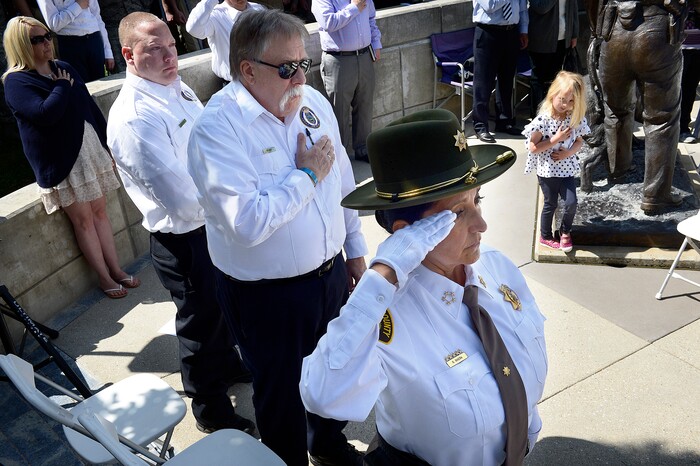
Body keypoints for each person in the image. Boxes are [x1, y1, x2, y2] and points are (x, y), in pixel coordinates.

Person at [300, 108, 548, 465]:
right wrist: (383, 272)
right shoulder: (387, 319)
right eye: (458, 212)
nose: (481, 224)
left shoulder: (494, 266)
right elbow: (322, 393)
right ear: (408, 233)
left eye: (477, 200)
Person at [187, 9, 368, 466]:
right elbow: (246, 222)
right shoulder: (217, 129)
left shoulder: (310, 102)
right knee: (280, 393)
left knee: (331, 372)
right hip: (267, 297)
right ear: (247, 69)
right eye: (287, 68)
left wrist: (355, 250)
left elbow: (341, 177)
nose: (300, 76)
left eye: (303, 63)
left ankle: (325, 442)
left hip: (328, 276)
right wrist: (306, 175)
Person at [106, 11, 254, 435]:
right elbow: (181, 200)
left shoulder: (176, 86)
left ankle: (227, 366)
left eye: (172, 46)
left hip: (211, 222)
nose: (171, 57)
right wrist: (235, 202)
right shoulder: (135, 117)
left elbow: (210, 141)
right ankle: (210, 408)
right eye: (156, 50)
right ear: (129, 56)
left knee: (221, 308)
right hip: (185, 239)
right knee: (198, 324)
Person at [2, 16, 139, 300]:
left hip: (89, 151)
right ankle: (104, 278)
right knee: (84, 221)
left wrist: (107, 145)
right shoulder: (16, 82)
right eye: (36, 40)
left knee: (100, 212)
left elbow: (89, 107)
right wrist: (61, 87)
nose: (46, 44)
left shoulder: (63, 67)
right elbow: (44, 114)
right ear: (20, 45)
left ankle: (117, 269)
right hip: (61, 161)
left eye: (47, 36)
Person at [597, 0, 700, 213]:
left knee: (616, 110)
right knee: (661, 119)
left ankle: (618, 169)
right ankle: (656, 195)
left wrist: (598, 31)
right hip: (657, 33)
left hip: (614, 30)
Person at [523, 71, 589, 253]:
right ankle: (545, 236)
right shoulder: (543, 120)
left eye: (571, 102)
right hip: (548, 171)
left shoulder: (574, 118)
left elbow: (579, 142)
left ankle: (565, 231)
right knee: (550, 204)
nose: (565, 105)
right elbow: (533, 147)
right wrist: (555, 139)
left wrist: (568, 152)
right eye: (562, 100)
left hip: (566, 169)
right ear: (553, 95)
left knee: (571, 202)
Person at [312, 0, 382, 162]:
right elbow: (328, 22)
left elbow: (371, 19)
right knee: (338, 110)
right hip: (339, 60)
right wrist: (354, 8)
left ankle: (363, 149)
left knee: (365, 105)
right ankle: (339, 155)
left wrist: (376, 43)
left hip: (364, 56)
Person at [471, 0, 528, 143]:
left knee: (507, 80)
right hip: (488, 32)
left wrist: (523, 30)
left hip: (511, 32)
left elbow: (522, 7)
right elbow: (490, 6)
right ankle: (480, 126)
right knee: (483, 83)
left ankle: (504, 121)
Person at [185, 0, 265, 83]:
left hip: (262, 81)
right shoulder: (215, 15)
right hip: (234, 84)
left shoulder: (258, 9)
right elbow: (193, 29)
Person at [36, 0, 114, 82]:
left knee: (102, 84)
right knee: (79, 85)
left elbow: (97, 17)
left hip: (94, 39)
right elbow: (54, 24)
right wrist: (78, 6)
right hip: (70, 44)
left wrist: (108, 52)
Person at [527, 0, 578, 112]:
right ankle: (537, 117)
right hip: (542, 39)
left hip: (562, 39)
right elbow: (541, 7)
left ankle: (552, 115)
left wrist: (574, 33)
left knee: (555, 80)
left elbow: (573, 7)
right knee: (539, 80)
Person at [680, 10, 700, 144]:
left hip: (697, 49)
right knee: (674, 91)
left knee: (689, 90)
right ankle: (671, 128)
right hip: (677, 48)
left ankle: (683, 128)